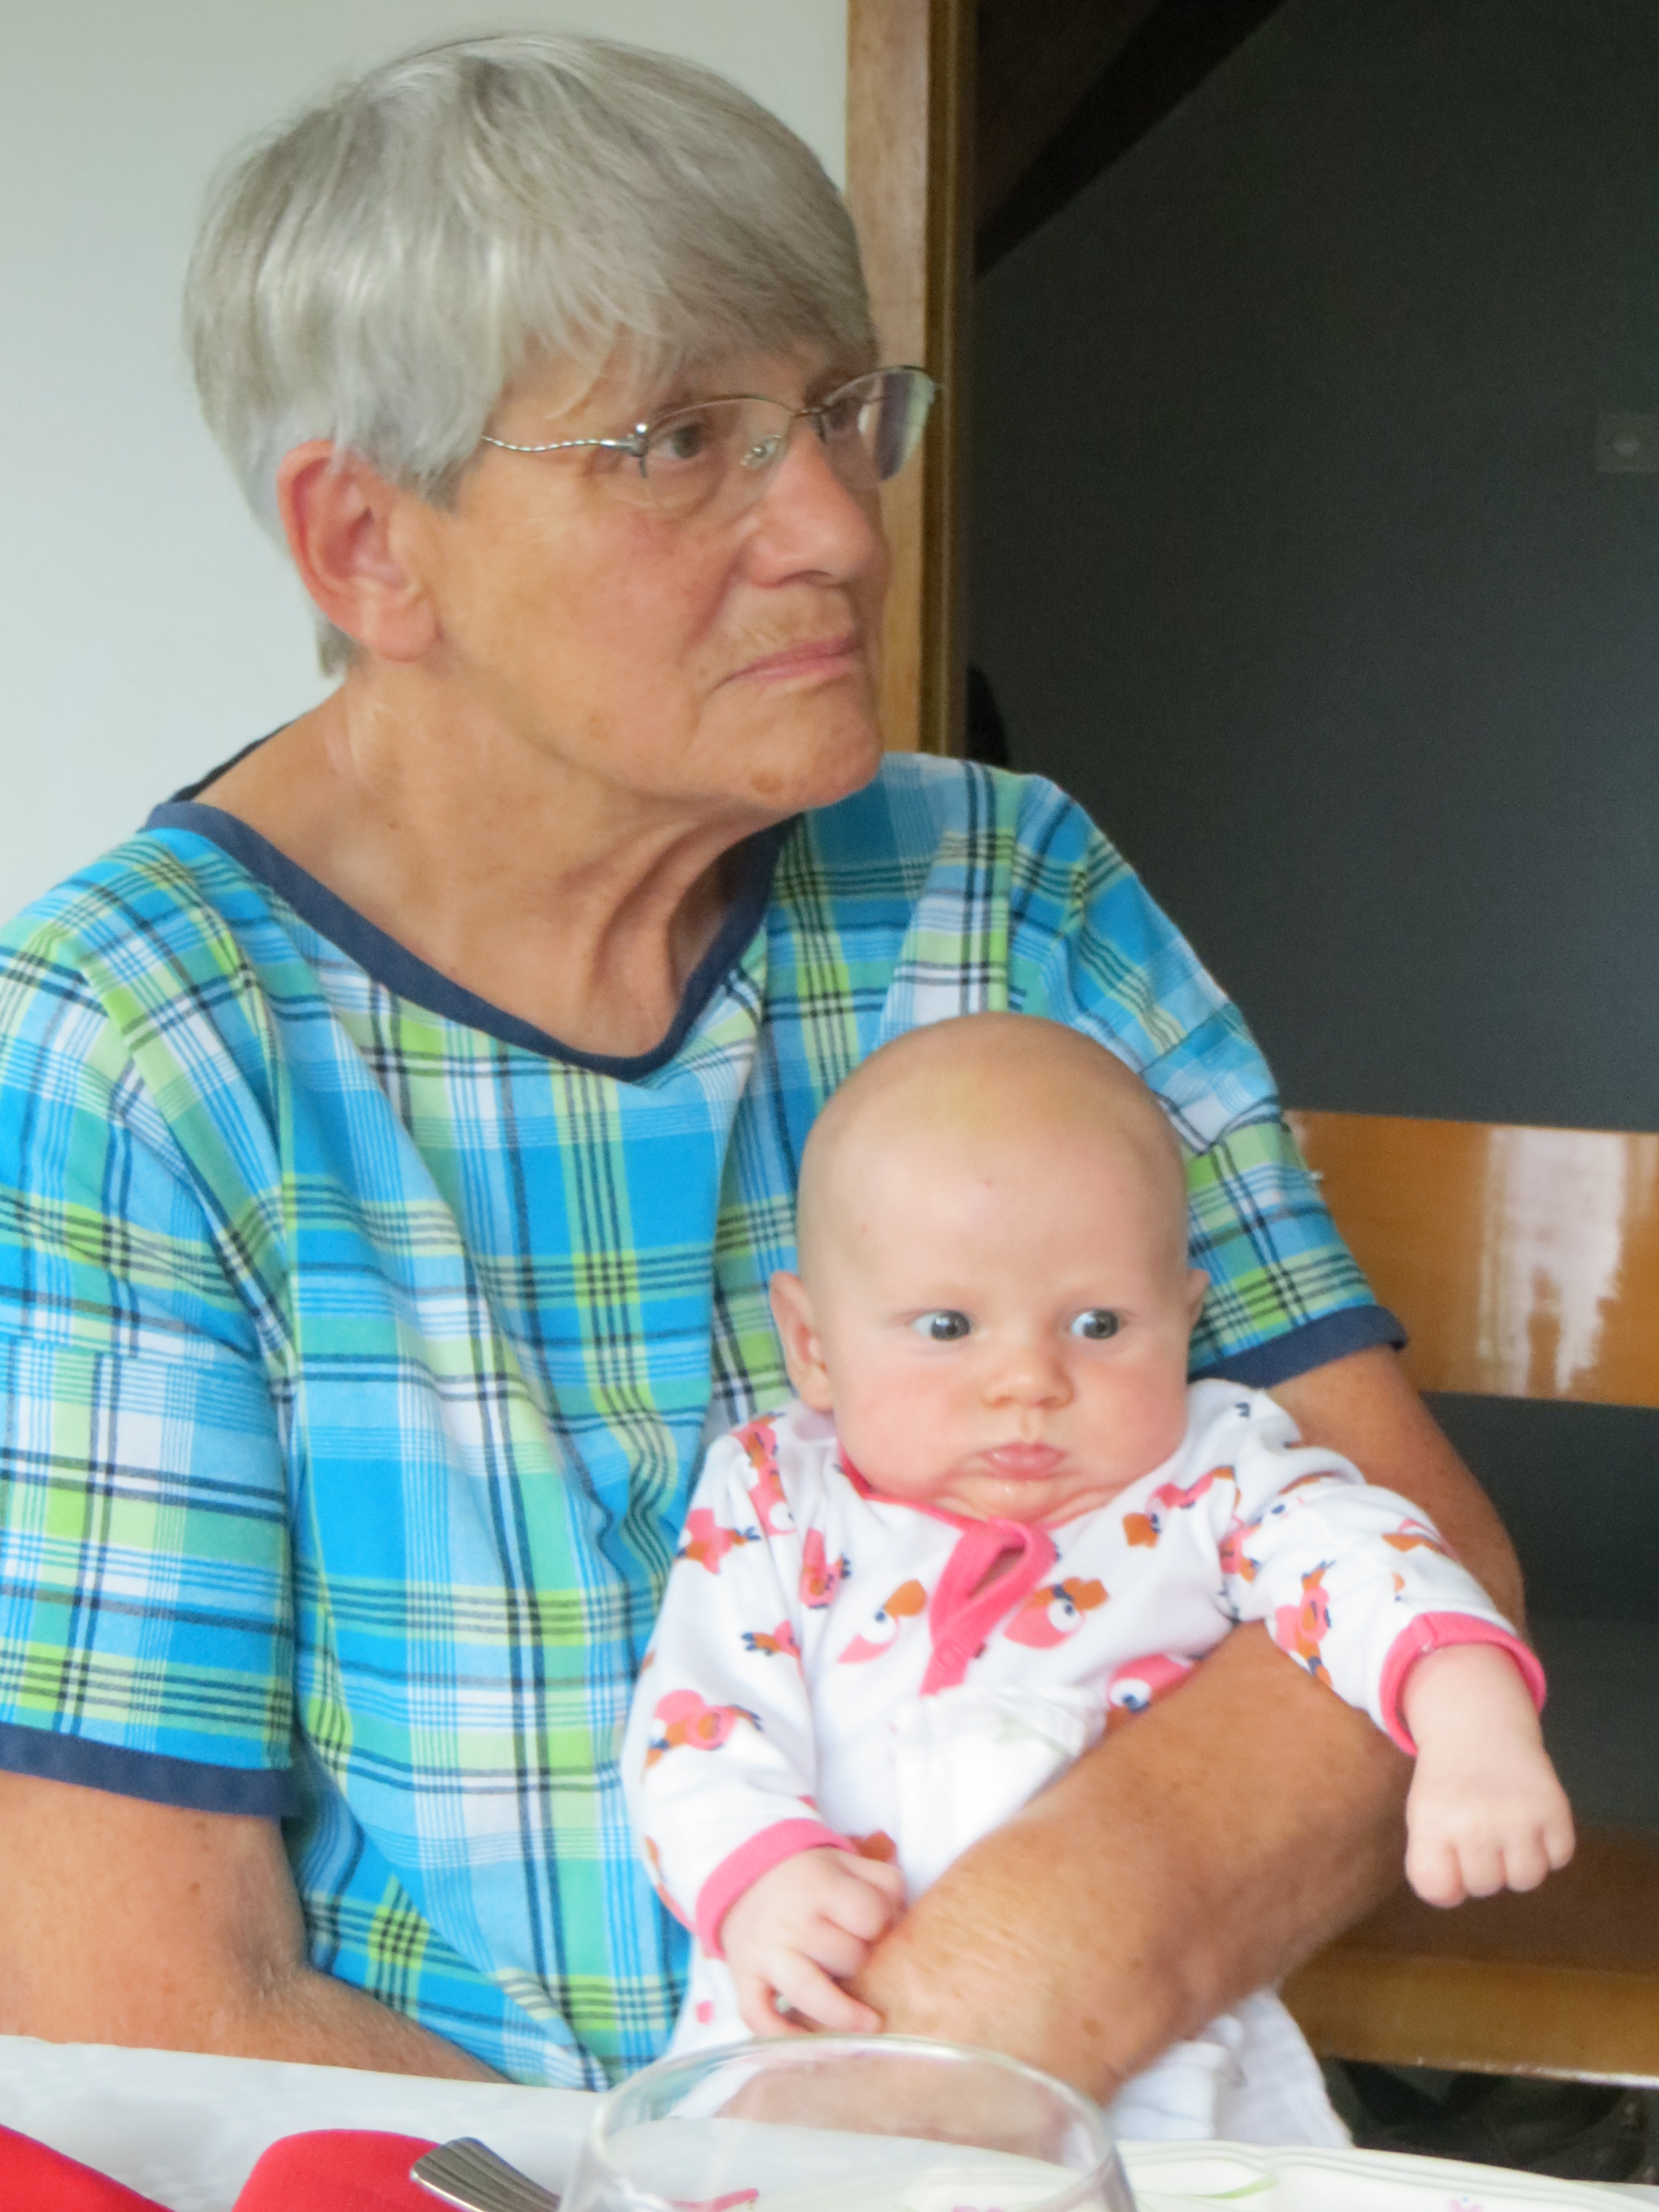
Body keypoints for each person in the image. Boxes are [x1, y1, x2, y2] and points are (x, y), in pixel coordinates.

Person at [0, 32, 1525, 2094]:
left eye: (835, 412)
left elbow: (1413, 1565)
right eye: (681, 442)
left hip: (1031, 2128)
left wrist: (905, 2092)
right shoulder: (134, 1044)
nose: (832, 527)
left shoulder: (1002, 892)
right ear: (369, 544)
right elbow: (142, 1990)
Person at [624, 1016, 1573, 2138]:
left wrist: (1471, 1719)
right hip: (807, 2018)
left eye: (1099, 1322)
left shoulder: (1213, 1477)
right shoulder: (774, 1498)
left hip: (1159, 2080)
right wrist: (758, 1874)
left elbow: (1369, 1564)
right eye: (948, 1325)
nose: (1029, 1380)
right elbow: (697, 1716)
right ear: (815, 1345)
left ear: (1184, 1316)